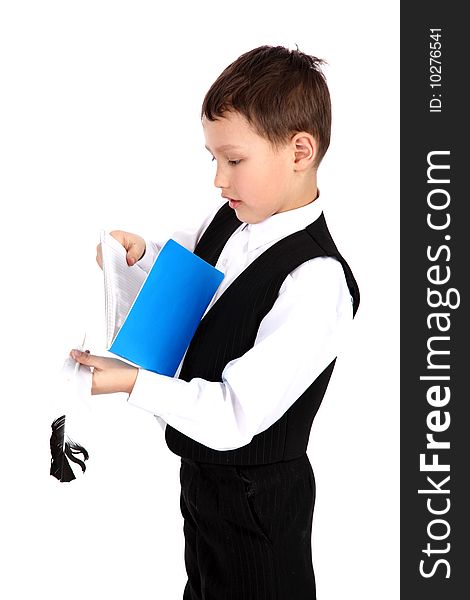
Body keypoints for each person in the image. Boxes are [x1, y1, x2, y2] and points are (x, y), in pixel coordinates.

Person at [71, 44, 360, 600]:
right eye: (214, 160)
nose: (219, 180)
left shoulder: (318, 283)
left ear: (300, 150)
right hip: (204, 486)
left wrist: (131, 384)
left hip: (260, 508)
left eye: (234, 160)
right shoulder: (228, 219)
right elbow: (194, 286)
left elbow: (232, 415)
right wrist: (139, 255)